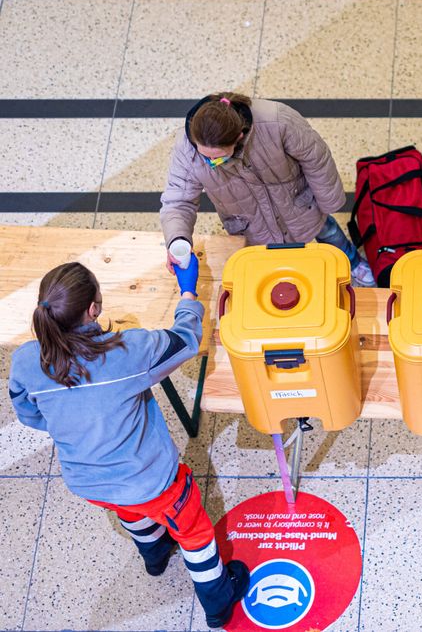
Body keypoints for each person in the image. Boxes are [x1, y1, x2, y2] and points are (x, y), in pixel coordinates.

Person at [8, 260, 249, 629]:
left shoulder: (26, 360)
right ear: (93, 309)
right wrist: (187, 292)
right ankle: (217, 600)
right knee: (194, 530)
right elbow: (184, 341)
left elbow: (29, 414)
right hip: (150, 481)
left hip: (88, 483)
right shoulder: (126, 352)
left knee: (130, 511)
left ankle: (154, 555)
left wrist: (77, 425)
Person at [160, 91, 375, 286]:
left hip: (299, 205)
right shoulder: (187, 152)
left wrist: (328, 201)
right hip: (251, 223)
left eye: (216, 158)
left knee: (327, 230)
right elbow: (178, 201)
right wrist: (177, 238)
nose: (209, 162)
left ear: (238, 138)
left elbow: (315, 158)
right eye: (204, 156)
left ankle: (353, 262)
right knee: (278, 261)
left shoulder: (277, 120)